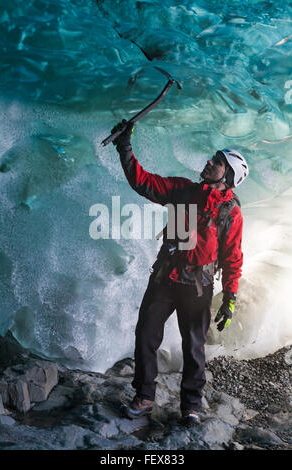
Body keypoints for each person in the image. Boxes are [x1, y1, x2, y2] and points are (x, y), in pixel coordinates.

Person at [111, 120, 249, 426]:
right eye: (212, 158)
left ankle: (191, 407)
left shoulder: (231, 214)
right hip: (165, 278)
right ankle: (145, 397)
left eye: (217, 162)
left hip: (198, 287)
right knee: (146, 335)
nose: (209, 162)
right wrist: (125, 147)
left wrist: (230, 297)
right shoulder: (182, 190)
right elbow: (142, 181)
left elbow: (232, 257)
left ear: (227, 176)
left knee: (194, 347)